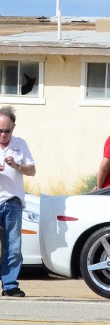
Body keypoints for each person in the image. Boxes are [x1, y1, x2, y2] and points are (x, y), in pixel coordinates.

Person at [0, 106, 35, 298]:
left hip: (12, 201)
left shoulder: (20, 144)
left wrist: (18, 166)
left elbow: (32, 170)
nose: (4, 134)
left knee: (13, 246)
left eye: (8, 130)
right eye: (0, 131)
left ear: (13, 128)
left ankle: (10, 285)